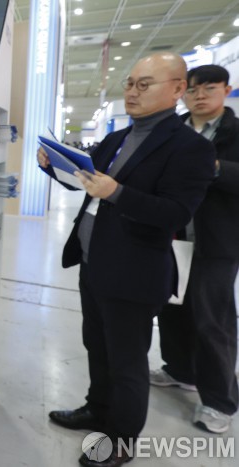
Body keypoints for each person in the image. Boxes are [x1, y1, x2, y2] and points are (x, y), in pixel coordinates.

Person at [37, 52, 216, 467]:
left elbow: (175, 212)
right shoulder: (117, 138)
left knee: (127, 361)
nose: (133, 92)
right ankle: (97, 409)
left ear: (177, 89)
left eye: (144, 84)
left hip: (135, 272)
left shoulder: (190, 148)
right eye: (130, 83)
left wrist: (116, 193)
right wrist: (53, 166)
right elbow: (87, 183)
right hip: (93, 262)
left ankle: (120, 439)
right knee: (96, 346)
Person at [150, 64, 239, 434]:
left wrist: (213, 167)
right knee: (171, 308)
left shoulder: (234, 132)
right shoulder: (172, 130)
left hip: (216, 241)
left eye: (210, 88)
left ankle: (220, 401)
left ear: (226, 90)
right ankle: (180, 370)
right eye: (193, 90)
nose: (200, 96)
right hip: (171, 236)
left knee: (212, 319)